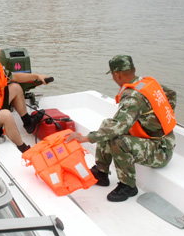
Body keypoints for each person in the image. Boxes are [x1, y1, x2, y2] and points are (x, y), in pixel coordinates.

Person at [66, 55, 177, 202]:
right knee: (107, 124)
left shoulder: (132, 98)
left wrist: (84, 138)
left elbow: (117, 129)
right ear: (134, 70)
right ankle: (101, 172)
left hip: (160, 151)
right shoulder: (145, 83)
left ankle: (128, 186)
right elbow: (171, 94)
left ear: (116, 75)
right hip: (158, 141)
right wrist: (156, 119)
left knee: (118, 142)